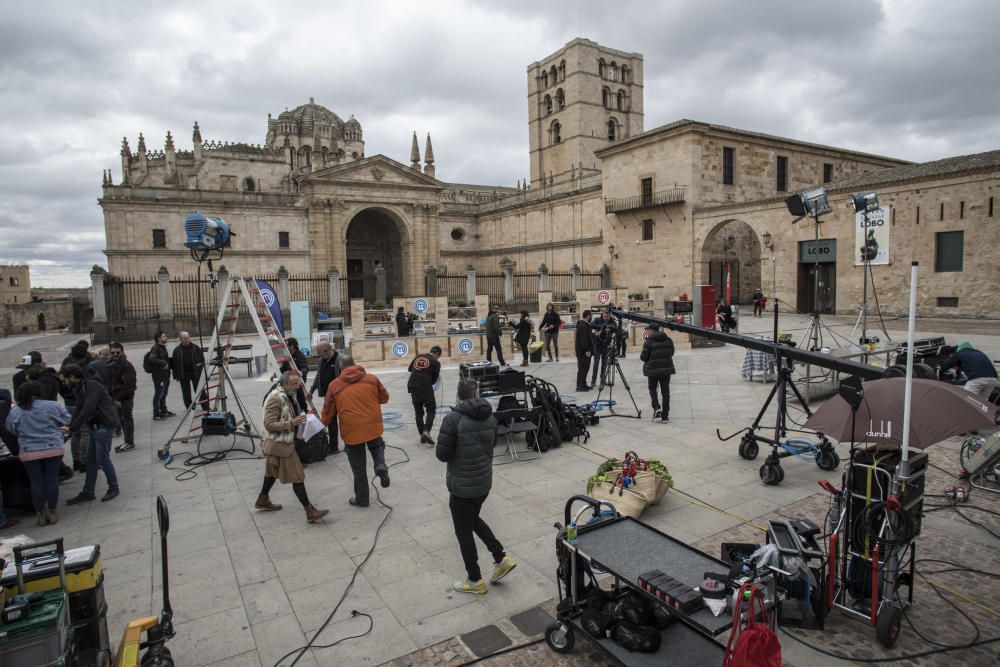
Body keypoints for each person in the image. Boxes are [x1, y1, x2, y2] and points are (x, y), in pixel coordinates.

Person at [436, 378, 516, 595]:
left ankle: (475, 579)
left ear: (459, 395)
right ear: (477, 394)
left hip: (462, 487)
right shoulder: (490, 417)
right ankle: (500, 558)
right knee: (472, 520)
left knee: (463, 531)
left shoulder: (452, 419)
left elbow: (442, 454)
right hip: (483, 482)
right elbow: (491, 445)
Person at [254, 371, 329, 523]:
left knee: (271, 473)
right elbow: (269, 424)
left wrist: (303, 419)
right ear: (284, 383)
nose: (297, 386)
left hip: (280, 443)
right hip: (281, 444)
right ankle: (310, 512)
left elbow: (291, 414)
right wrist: (292, 423)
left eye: (298, 383)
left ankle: (262, 499)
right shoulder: (275, 398)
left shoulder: (290, 394)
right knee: (297, 477)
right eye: (294, 384)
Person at [320, 356, 390, 507]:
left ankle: (362, 499)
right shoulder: (372, 379)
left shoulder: (334, 385)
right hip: (372, 425)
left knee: (358, 466)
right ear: (355, 364)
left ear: (340, 367)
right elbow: (384, 398)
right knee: (377, 446)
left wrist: (320, 425)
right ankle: (381, 466)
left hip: (351, 430)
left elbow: (328, 412)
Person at [6, 382, 70, 525]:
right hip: (52, 448)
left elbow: (10, 428)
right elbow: (66, 419)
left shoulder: (16, 411)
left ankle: (40, 513)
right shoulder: (52, 405)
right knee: (52, 480)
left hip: (29, 451)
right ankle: (52, 511)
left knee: (36, 482)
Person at [62, 364, 120, 504]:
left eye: (65, 380)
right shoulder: (82, 385)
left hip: (104, 424)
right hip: (95, 425)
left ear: (72, 377)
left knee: (102, 458)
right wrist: (70, 427)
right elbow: (79, 407)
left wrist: (73, 428)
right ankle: (88, 491)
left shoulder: (91, 384)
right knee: (91, 459)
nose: (64, 383)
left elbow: (88, 407)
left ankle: (113, 487)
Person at [308, 341, 343, 454]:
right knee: (330, 420)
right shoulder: (321, 361)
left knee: (345, 420)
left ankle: (351, 444)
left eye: (320, 353)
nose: (319, 356)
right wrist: (312, 390)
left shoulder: (340, 360)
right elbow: (318, 376)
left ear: (326, 351)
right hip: (328, 397)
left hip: (341, 396)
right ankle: (333, 446)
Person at [640, 323, 676, 422]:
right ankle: (665, 417)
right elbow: (671, 352)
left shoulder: (648, 342)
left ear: (652, 330)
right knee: (665, 393)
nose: (647, 332)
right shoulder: (668, 340)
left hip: (652, 370)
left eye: (648, 330)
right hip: (666, 370)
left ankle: (656, 407)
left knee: (652, 389)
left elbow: (643, 357)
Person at [408, 345, 442, 445]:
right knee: (431, 409)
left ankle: (421, 434)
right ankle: (426, 432)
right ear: (437, 353)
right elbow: (434, 381)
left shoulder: (419, 356)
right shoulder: (436, 363)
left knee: (418, 412)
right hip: (425, 386)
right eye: (438, 356)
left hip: (413, 385)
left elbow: (410, 369)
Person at [109, 342, 137, 453]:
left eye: (118, 352)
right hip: (118, 397)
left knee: (127, 420)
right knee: (122, 420)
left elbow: (129, 384)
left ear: (122, 352)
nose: (115, 354)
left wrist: (119, 398)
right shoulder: (114, 364)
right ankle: (127, 441)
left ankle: (129, 442)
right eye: (113, 352)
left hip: (125, 398)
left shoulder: (126, 366)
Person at [170, 332, 205, 411]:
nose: (187, 340)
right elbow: (174, 364)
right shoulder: (177, 350)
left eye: (188, 338)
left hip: (195, 372)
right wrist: (176, 375)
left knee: (199, 390)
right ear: (180, 339)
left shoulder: (196, 348)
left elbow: (202, 360)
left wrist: (202, 372)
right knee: (186, 392)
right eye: (184, 338)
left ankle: (205, 405)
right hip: (183, 374)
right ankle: (189, 407)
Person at [147, 331, 173, 419]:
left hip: (165, 375)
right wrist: (163, 363)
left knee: (164, 394)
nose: (166, 337)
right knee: (158, 394)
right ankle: (156, 413)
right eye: (164, 336)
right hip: (159, 376)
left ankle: (163, 410)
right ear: (158, 338)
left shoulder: (162, 347)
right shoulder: (156, 348)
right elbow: (152, 358)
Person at [279, 337, 309, 411]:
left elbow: (305, 368)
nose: (285, 347)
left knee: (300, 399)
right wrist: (274, 374)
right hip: (289, 381)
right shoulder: (288, 356)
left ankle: (304, 412)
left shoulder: (300, 355)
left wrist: (300, 372)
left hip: (297, 382)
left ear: (292, 346)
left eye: (286, 346)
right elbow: (283, 367)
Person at [590, 311, 614, 389]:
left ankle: (603, 380)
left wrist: (609, 326)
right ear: (602, 314)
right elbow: (591, 325)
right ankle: (593, 381)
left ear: (610, 315)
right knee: (596, 364)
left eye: (607, 316)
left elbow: (615, 327)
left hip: (606, 345)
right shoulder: (597, 319)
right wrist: (602, 327)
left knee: (605, 364)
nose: (606, 318)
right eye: (605, 316)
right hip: (597, 345)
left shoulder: (611, 321)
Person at [575, 310, 594, 392]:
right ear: (588, 316)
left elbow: (587, 337)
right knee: (582, 368)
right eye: (591, 316)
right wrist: (587, 350)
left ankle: (583, 384)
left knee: (585, 368)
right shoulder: (582, 325)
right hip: (583, 352)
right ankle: (579, 386)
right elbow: (583, 340)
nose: (592, 318)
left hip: (585, 351)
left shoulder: (585, 325)